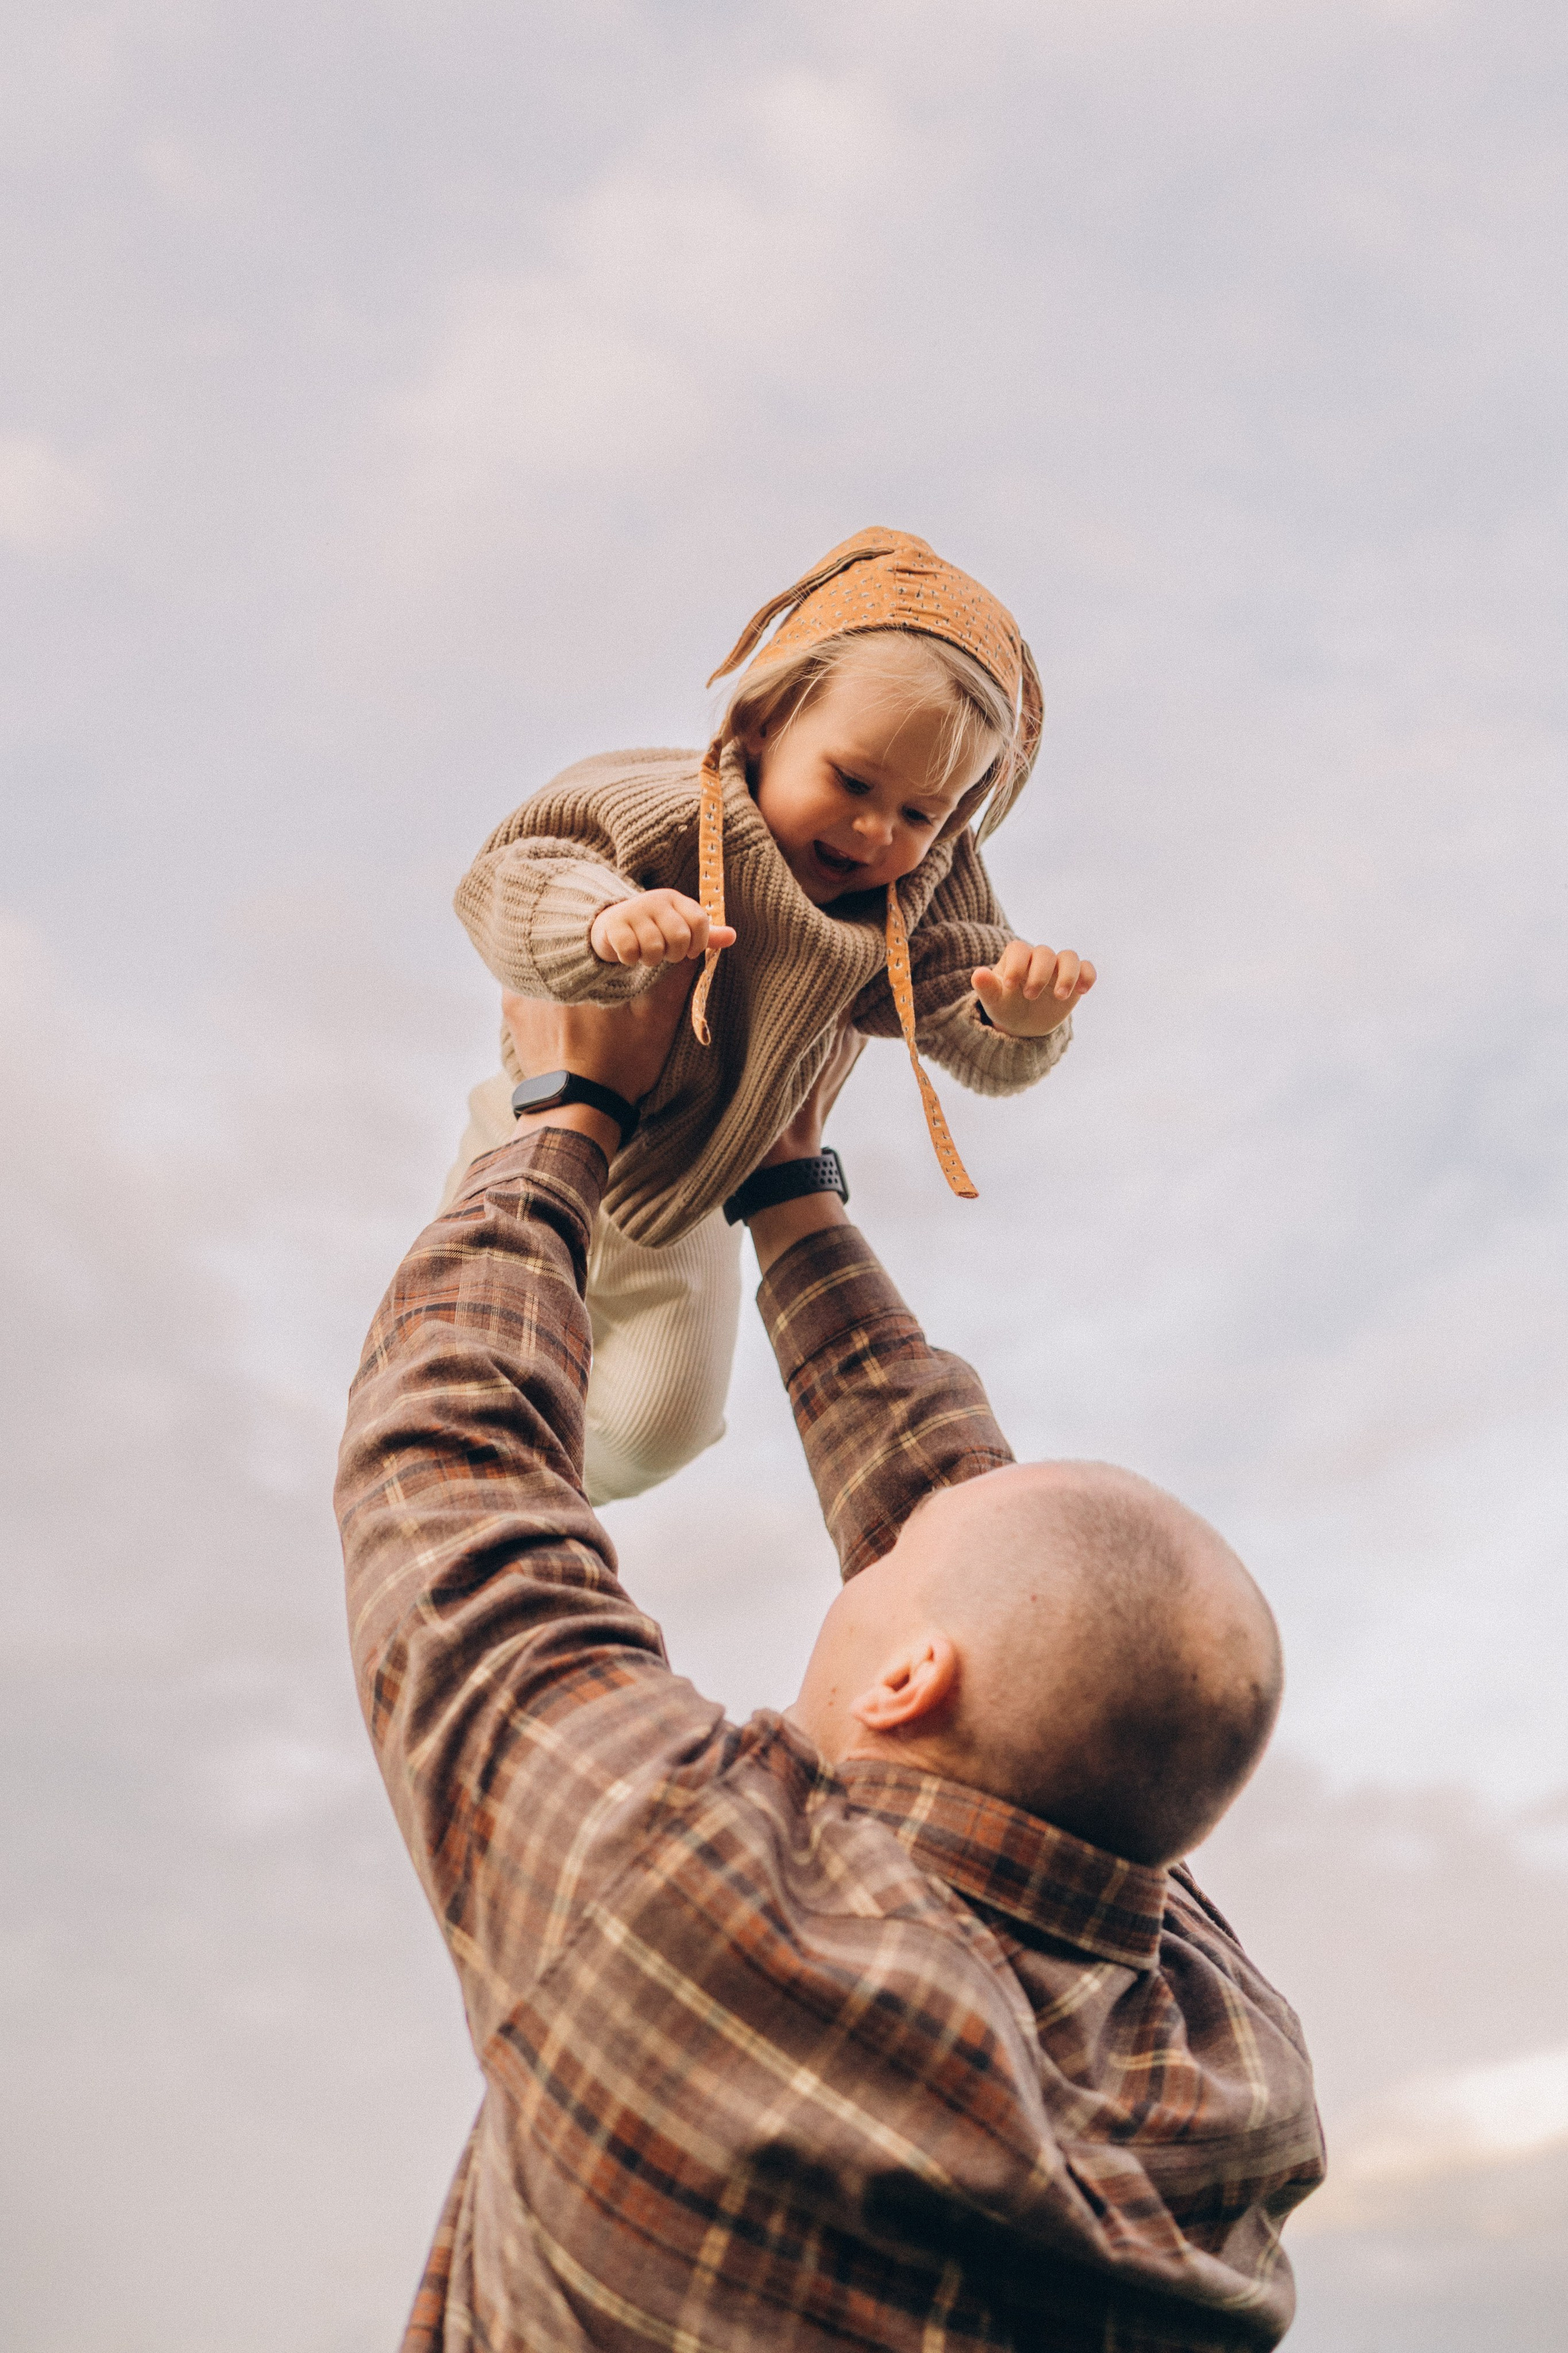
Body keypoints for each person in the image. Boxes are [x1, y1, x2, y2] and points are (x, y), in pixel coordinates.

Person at [337, 976, 1325, 2353]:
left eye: (893, 1562)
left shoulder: (695, 1904)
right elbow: (1031, 1604)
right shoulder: (1232, 2089)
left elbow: (452, 1466)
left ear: (909, 1679)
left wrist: (565, 1109)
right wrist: (788, 1185)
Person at [441, 526, 1096, 1503]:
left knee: (664, 1426)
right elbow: (514, 878)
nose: (878, 832)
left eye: (923, 815)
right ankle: (451, 1443)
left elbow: (962, 1009)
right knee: (478, 1328)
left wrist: (1019, 1020)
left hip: (703, 1177)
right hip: (537, 1107)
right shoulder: (670, 806)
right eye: (854, 782)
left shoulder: (911, 901)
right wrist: (606, 920)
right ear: (764, 724)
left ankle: (536, 1484)